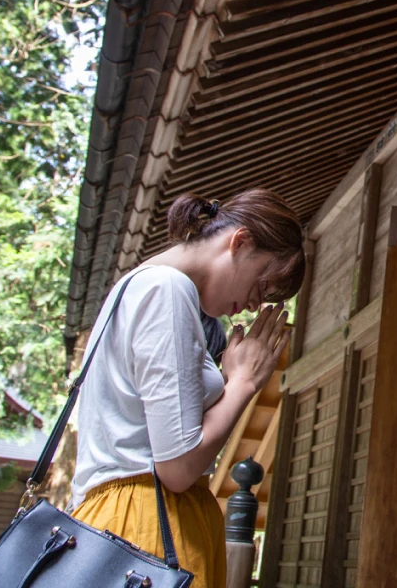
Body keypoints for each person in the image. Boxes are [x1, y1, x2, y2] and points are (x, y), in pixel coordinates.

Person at [68, 190, 307, 588]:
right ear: (240, 242)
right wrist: (243, 383)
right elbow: (177, 468)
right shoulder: (167, 289)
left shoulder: (142, 285)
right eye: (262, 283)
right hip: (145, 527)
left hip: (135, 519)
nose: (254, 304)